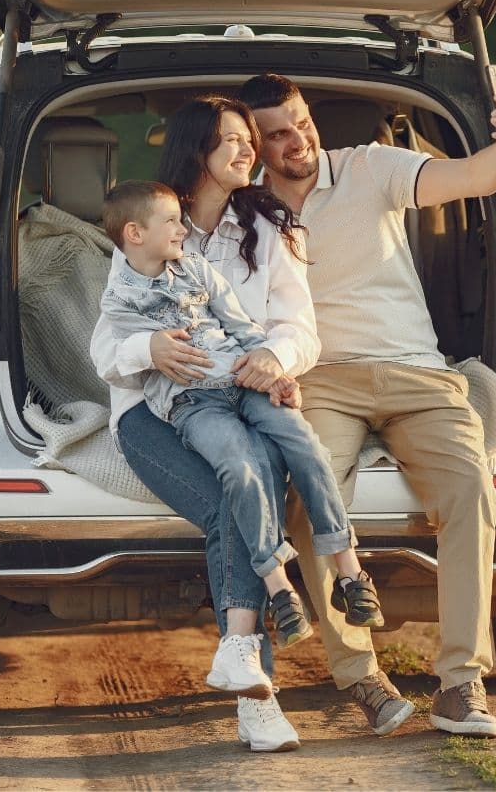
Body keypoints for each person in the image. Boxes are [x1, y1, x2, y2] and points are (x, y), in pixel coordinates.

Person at [90, 97, 416, 753]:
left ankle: (251, 669)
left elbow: (300, 327)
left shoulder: (271, 226)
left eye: (248, 139)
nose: (250, 151)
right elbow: (106, 346)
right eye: (233, 141)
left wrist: (275, 356)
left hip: (247, 390)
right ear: (196, 153)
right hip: (158, 410)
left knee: (258, 474)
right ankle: (258, 696)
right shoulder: (154, 228)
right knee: (233, 501)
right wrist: (146, 351)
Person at [235, 73, 496, 738]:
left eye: (301, 122)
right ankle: (362, 678)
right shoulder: (243, 211)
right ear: (253, 143)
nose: (297, 141)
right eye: (277, 134)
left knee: (468, 483)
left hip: (416, 373)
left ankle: (461, 682)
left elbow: (478, 176)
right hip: (322, 381)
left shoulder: (370, 167)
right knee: (312, 499)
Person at [97, 178, 385, 656]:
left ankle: (351, 572)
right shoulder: (119, 300)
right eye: (170, 221)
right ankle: (280, 588)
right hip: (193, 403)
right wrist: (148, 348)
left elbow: (241, 326)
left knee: (306, 446)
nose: (181, 229)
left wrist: (275, 372)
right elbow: (120, 359)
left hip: (242, 381)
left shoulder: (197, 268)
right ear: (134, 233)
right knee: (240, 467)